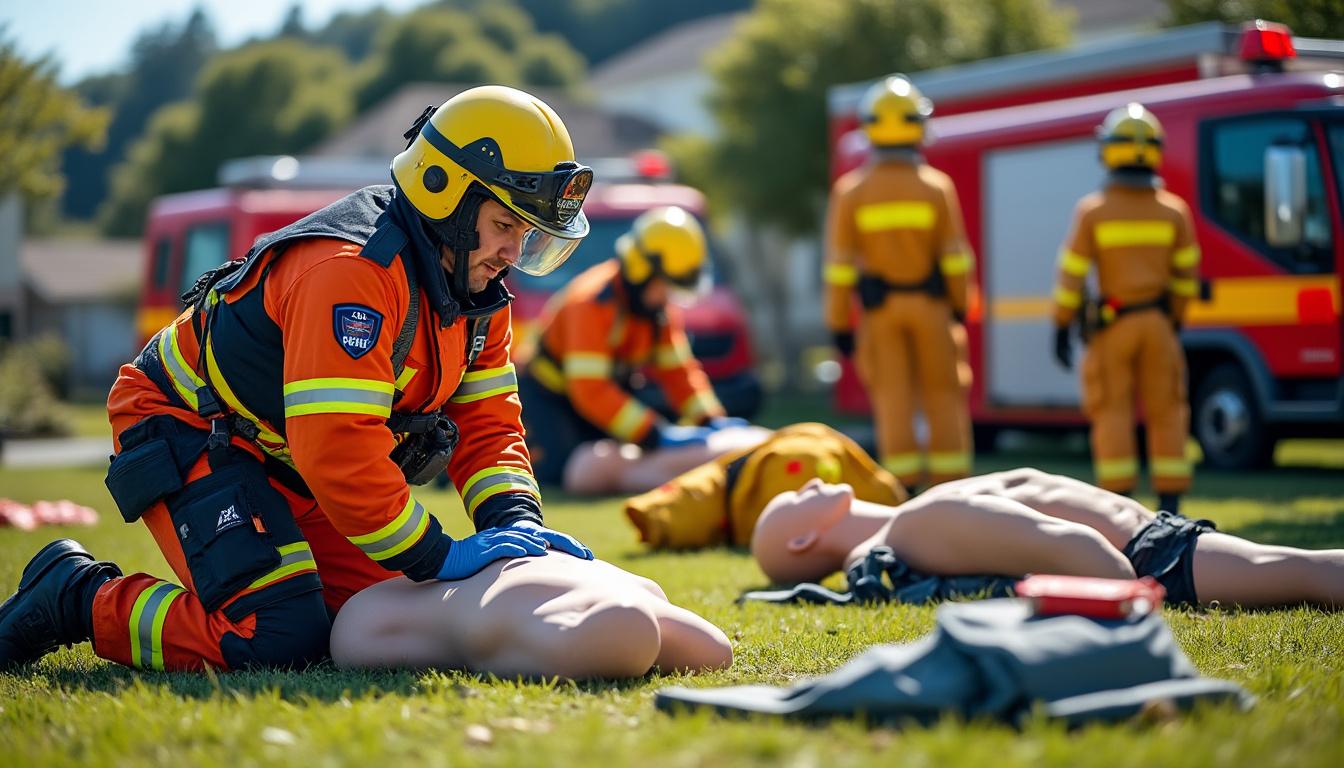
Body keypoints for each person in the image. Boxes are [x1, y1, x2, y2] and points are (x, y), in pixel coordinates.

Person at [0, 85, 599, 673]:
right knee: (277, 634)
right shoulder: (351, 274)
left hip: (291, 458)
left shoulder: (478, 295)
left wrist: (516, 524)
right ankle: (78, 598)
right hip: (190, 426)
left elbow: (487, 423)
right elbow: (337, 441)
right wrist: (437, 551)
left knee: (384, 614)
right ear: (447, 196)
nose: (512, 252)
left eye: (526, 233)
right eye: (505, 225)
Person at [751, 468, 1344, 609]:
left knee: (1299, 567)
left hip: (1151, 542)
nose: (811, 482)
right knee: (1300, 571)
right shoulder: (911, 528)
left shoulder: (910, 519)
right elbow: (1066, 547)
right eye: (796, 501)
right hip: (1154, 558)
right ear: (803, 542)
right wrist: (1129, 586)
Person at [518, 205, 753, 494]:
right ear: (642, 271)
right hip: (547, 396)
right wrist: (654, 433)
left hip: (599, 395)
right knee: (559, 472)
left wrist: (711, 420)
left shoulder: (656, 311)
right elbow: (590, 389)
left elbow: (679, 372)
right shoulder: (591, 303)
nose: (669, 296)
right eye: (665, 285)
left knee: (615, 460)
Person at [823, 75, 976, 490]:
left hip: (880, 313)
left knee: (893, 401)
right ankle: (953, 490)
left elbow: (838, 268)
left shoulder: (851, 191)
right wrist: (960, 306)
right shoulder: (935, 187)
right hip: (932, 308)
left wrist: (839, 324)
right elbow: (956, 257)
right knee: (944, 396)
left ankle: (903, 491)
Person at [1050, 102, 1200, 513]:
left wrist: (1061, 325)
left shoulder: (1093, 211)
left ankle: (1120, 504)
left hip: (1112, 326)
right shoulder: (1174, 211)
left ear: (1108, 150)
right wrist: (1174, 318)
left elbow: (1071, 276)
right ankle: (1171, 504)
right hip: (1158, 323)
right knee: (1168, 410)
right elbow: (1185, 276)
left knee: (1112, 410)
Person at [330, 552, 732, 678]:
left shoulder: (366, 619)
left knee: (709, 651)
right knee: (640, 630)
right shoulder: (367, 620)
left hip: (542, 579)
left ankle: (610, 628)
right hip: (516, 591)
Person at [624, 422, 906, 550]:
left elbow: (690, 495)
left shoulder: (716, 484)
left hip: (784, 463)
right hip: (814, 446)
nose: (814, 486)